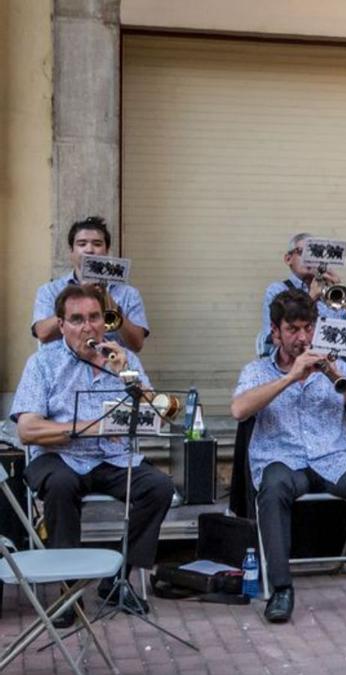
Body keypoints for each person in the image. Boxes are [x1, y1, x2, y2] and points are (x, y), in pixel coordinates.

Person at [232, 289, 346, 623]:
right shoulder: (256, 370)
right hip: (281, 461)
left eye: (308, 328)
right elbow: (239, 409)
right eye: (293, 329)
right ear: (275, 331)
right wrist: (291, 376)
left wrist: (336, 376)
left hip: (332, 460)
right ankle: (281, 589)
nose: (302, 337)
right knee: (273, 487)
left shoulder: (337, 365)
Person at [11, 284, 174, 625]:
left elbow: (156, 413)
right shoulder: (42, 363)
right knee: (61, 486)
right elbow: (27, 430)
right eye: (77, 319)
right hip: (58, 457)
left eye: (95, 318)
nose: (88, 327)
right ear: (61, 324)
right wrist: (90, 427)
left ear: (106, 321)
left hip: (112, 457)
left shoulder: (124, 360)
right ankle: (68, 592)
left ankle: (115, 579)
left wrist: (128, 375)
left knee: (159, 487)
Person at [32, 216, 150, 351]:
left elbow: (137, 344)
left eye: (97, 244)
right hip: (62, 370)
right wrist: (80, 292)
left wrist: (113, 307)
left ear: (106, 251)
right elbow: (43, 334)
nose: (89, 250)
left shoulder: (128, 293)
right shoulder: (49, 290)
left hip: (113, 367)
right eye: (82, 244)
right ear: (71, 251)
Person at [257, 232, 346, 357]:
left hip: (333, 364)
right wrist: (311, 297)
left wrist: (342, 296)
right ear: (288, 259)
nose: (310, 260)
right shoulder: (277, 290)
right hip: (296, 363)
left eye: (316, 255)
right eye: (303, 253)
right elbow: (275, 339)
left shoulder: (330, 294)